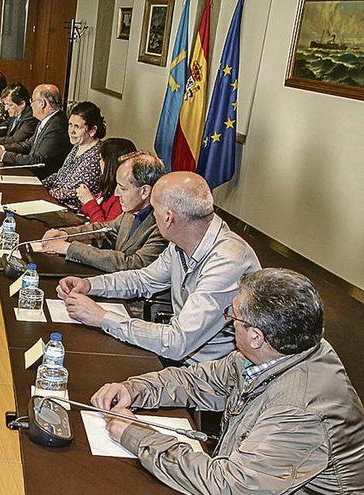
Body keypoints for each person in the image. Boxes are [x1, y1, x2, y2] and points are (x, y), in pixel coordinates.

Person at [92, 268, 364, 493]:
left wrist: (134, 434)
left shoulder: (299, 413)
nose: (228, 321)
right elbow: (198, 381)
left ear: (257, 336)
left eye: (233, 315)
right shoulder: (280, 351)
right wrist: (135, 389)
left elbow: (228, 487)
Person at [57, 172, 261, 365]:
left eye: (154, 210)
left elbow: (178, 342)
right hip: (177, 359)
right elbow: (143, 280)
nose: (152, 216)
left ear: (168, 218)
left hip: (204, 376)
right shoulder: (182, 242)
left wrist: (102, 317)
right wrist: (89, 285)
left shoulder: (228, 262)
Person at [41, 151, 168, 272]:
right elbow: (104, 230)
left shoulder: (163, 225)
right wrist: (65, 234)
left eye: (123, 188)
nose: (116, 193)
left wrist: (70, 248)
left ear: (145, 191)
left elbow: (133, 264)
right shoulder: (131, 212)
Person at [0, 84, 70, 181]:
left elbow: (37, 160)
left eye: (32, 101)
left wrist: (3, 155)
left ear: (42, 103)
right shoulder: (46, 120)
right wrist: (2, 148)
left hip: (40, 179)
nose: (31, 105)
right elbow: (28, 145)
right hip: (30, 172)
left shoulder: (56, 126)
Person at [42, 101, 106, 210]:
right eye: (70, 125)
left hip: (71, 210)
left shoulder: (96, 155)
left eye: (77, 127)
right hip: (55, 200)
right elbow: (60, 176)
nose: (71, 131)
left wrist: (41, 194)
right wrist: (39, 185)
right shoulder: (78, 145)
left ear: (92, 130)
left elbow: (68, 191)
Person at [74, 138, 137, 222]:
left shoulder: (121, 198)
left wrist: (89, 202)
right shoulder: (108, 186)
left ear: (109, 163)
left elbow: (105, 231)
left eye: (101, 159)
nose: (99, 162)